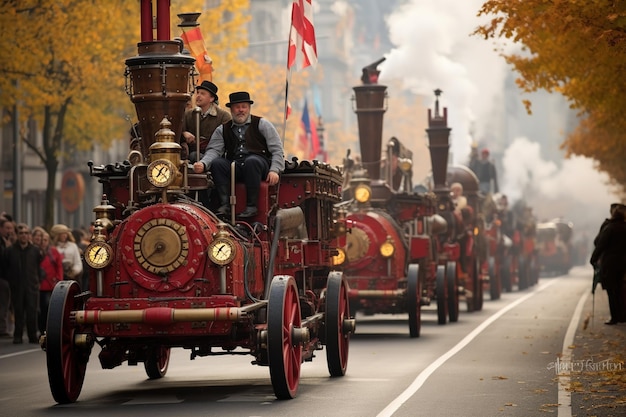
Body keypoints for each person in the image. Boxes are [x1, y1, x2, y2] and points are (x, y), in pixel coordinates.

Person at [193, 91, 285, 218]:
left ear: (249, 108)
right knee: (218, 163)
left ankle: (251, 206)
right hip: (235, 166)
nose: (241, 110)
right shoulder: (222, 129)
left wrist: (275, 170)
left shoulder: (262, 124)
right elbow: (214, 151)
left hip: (258, 166)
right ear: (231, 109)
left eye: (244, 107)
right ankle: (225, 205)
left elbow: (277, 149)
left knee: (252, 161)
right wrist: (203, 163)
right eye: (237, 107)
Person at [5, 224, 43, 343]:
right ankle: (18, 336)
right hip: (16, 286)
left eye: (26, 233)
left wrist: (38, 281)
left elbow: (40, 267)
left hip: (32, 286)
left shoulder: (35, 250)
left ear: (29, 236)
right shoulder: (10, 251)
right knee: (18, 311)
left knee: (32, 311)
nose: (24, 235)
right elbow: (5, 267)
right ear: (17, 235)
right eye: (21, 233)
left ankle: (32, 335)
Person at [590, 204, 626, 325]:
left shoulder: (609, 228)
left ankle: (615, 317)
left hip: (610, 263)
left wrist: (593, 259)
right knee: (620, 288)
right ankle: (622, 316)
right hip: (623, 263)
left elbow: (600, 244)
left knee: (611, 290)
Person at [181, 80, 231, 163]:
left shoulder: (224, 116)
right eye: (198, 93)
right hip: (191, 154)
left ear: (211, 98)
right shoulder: (188, 115)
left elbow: (227, 141)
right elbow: (179, 133)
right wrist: (184, 134)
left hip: (216, 155)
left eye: (203, 94)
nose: (198, 96)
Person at [38, 231, 64, 336]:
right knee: (41, 309)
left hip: (51, 284)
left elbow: (59, 266)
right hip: (40, 284)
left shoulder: (53, 251)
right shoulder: (36, 251)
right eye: (41, 240)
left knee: (49, 308)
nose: (43, 242)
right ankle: (41, 329)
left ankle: (49, 329)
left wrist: (59, 280)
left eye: (45, 240)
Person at [0, 216, 16, 337]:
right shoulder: (4, 243)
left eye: (11, 228)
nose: (9, 231)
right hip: (2, 277)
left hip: (6, 277)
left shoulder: (7, 241)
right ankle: (2, 329)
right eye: (7, 228)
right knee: (3, 304)